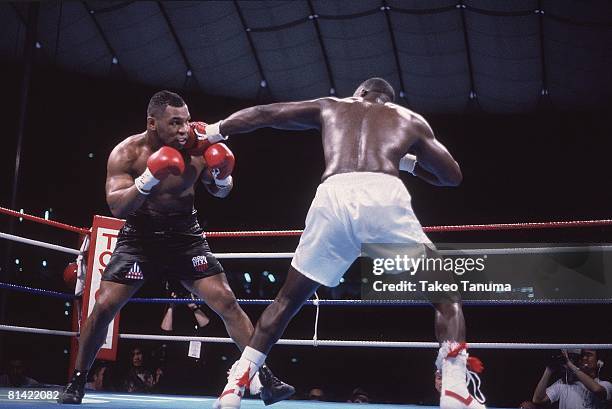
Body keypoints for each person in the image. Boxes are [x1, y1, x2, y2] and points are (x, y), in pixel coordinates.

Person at [211, 78, 484, 409]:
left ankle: (235, 388)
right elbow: (451, 177)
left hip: (333, 197)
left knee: (286, 300)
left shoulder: (333, 106)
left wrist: (214, 131)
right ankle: (454, 391)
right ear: (388, 99)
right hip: (384, 194)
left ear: (360, 94)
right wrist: (408, 162)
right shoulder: (410, 119)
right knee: (445, 295)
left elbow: (266, 113)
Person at [58, 90, 294, 404]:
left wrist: (222, 178)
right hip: (140, 237)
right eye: (175, 123)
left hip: (185, 236)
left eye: (186, 120)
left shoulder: (198, 146)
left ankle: (264, 378)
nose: (185, 129)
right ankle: (76, 383)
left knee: (225, 301)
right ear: (152, 123)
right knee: (103, 307)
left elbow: (220, 191)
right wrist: (148, 178)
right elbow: (117, 207)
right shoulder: (127, 154)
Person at [531, 349, 612, 408]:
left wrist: (570, 365)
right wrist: (549, 369)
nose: (584, 358)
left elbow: (596, 389)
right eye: (582, 356)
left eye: (588, 355)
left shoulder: (606, 385)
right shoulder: (563, 384)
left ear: (599, 362)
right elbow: (538, 399)